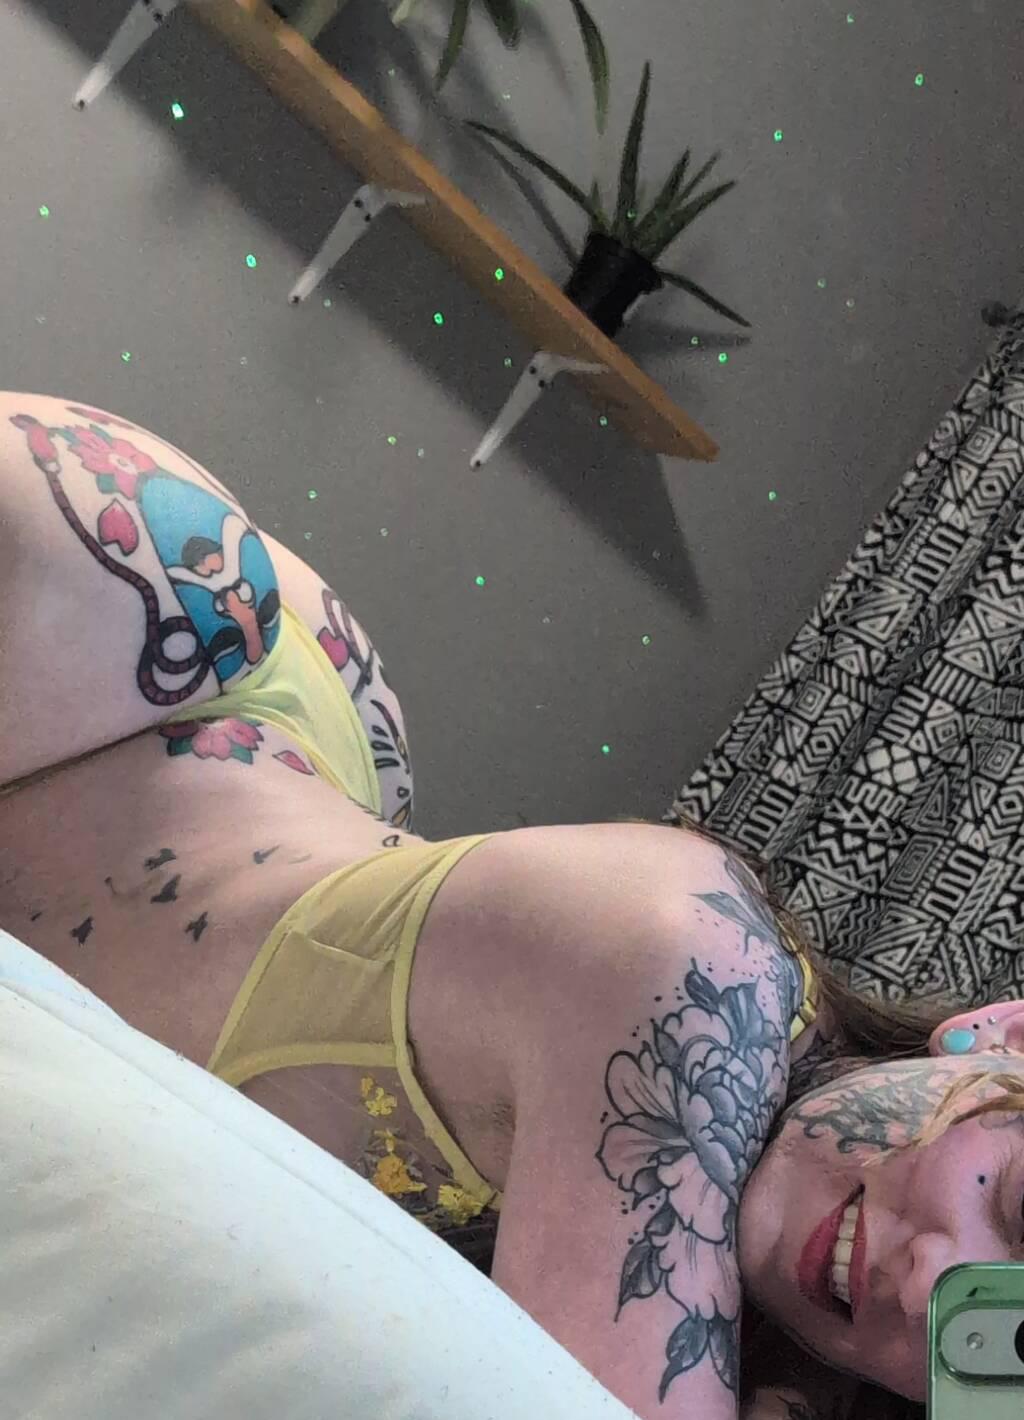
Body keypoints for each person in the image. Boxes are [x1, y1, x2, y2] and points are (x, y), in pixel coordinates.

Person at [1, 389, 1022, 1420]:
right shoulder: (709, 971)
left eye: (1007, 1347)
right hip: (147, 624)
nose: (934, 1291)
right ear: (1004, 1038)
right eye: (1016, 1208)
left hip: (297, 781)